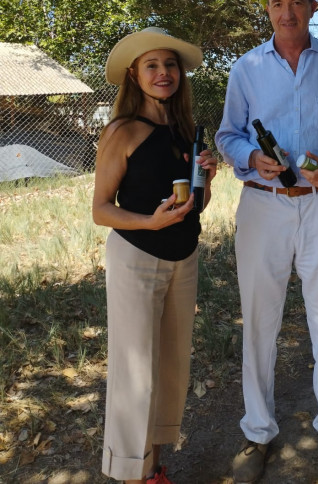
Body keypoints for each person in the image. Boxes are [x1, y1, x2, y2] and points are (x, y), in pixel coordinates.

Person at [215, 0, 318, 483]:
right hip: (263, 205)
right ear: (267, 8)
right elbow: (228, 135)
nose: (288, 13)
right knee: (259, 318)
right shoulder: (246, 69)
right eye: (277, 4)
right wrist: (248, 157)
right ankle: (257, 432)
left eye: (297, 2)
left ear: (312, 4)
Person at [92, 27, 217, 484]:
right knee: (135, 372)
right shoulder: (122, 131)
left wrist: (208, 178)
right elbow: (100, 209)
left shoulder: (183, 132)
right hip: (137, 258)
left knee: (172, 366)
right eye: (152, 66)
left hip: (183, 259)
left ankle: (154, 468)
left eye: (170, 66)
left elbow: (191, 207)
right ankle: (130, 474)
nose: (164, 73)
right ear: (134, 75)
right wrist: (147, 222)